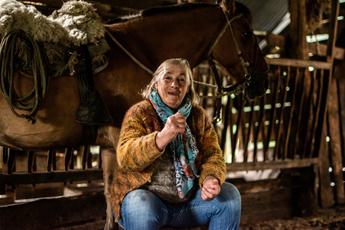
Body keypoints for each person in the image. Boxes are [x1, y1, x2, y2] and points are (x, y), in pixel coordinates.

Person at [111, 58, 241, 230]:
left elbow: (213, 155)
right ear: (156, 82)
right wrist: (162, 137)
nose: (175, 84)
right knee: (139, 203)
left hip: (189, 204)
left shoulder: (197, 116)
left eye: (181, 80)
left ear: (188, 87)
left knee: (230, 196)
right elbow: (126, 157)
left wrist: (211, 177)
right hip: (150, 201)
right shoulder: (140, 112)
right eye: (168, 78)